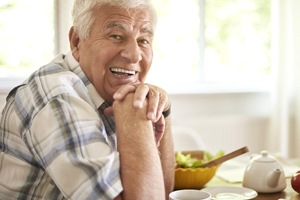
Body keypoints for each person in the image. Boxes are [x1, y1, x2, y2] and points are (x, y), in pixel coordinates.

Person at [0, 0, 175, 199]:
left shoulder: (107, 89)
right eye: (116, 36)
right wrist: (136, 117)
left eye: (143, 40)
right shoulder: (58, 97)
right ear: (76, 42)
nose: (134, 55)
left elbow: (164, 192)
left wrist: (163, 109)